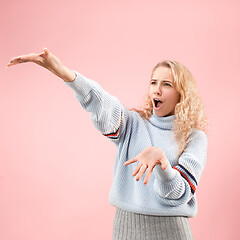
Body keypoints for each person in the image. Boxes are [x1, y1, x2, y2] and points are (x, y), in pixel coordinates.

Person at [7, 48, 208, 240]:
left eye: (167, 84)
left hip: (172, 231)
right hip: (127, 227)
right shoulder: (133, 124)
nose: (157, 89)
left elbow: (178, 194)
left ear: (181, 93)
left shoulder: (194, 137)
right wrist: (66, 74)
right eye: (153, 82)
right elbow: (101, 103)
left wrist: (162, 163)